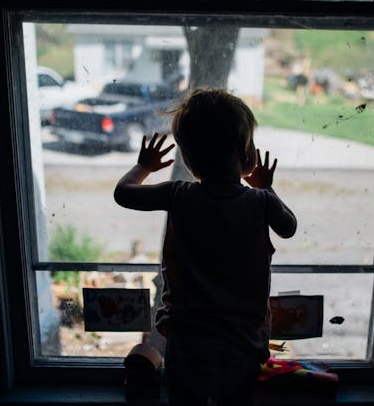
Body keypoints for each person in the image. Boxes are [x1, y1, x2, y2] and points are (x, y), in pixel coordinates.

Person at [114, 86, 297, 405]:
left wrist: (145, 166)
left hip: (187, 341)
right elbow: (289, 227)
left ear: (188, 157)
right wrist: (268, 188)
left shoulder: (177, 194)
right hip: (242, 343)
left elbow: (124, 192)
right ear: (245, 153)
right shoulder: (262, 202)